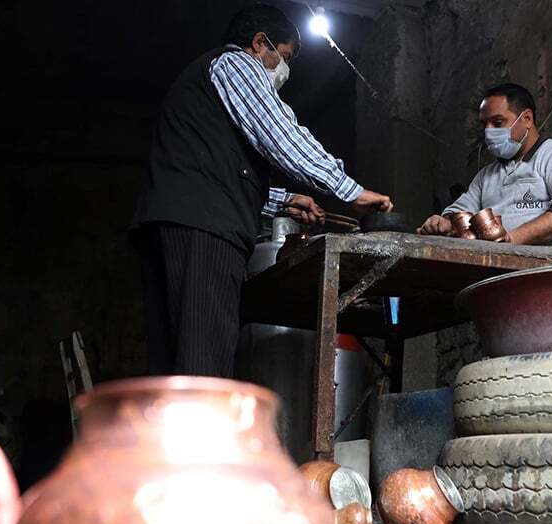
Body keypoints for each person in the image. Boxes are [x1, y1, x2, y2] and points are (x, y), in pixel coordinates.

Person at [131, 4, 393, 378]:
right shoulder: (236, 64)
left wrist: (284, 201)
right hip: (204, 228)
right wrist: (349, 190)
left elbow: (216, 168)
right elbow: (279, 134)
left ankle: (172, 437)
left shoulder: (206, 90)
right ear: (260, 43)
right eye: (283, 57)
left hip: (173, 223)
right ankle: (203, 438)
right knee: (204, 361)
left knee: (173, 365)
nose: (283, 70)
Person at [419, 83, 552, 252]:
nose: (488, 132)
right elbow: (461, 211)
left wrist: (512, 239)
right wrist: (445, 223)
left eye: (497, 122)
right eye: (484, 124)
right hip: (509, 273)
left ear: (527, 119)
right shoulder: (486, 176)